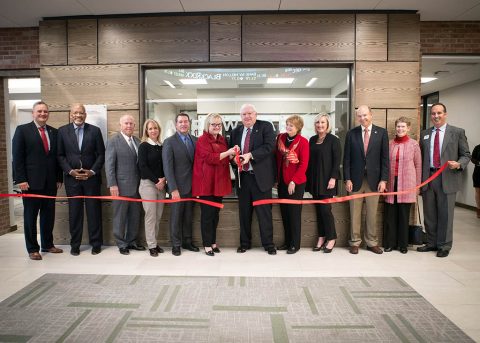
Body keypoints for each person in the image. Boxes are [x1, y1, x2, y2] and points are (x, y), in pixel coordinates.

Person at [418, 103, 471, 257]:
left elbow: (466, 154)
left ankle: (444, 245)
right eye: (433, 113)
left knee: (446, 214)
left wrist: (459, 164)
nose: (436, 116)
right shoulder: (425, 134)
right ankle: (431, 242)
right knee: (429, 213)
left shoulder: (457, 132)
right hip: (429, 178)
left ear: (445, 114)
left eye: (439, 113)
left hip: (448, 178)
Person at [12, 101, 63, 260]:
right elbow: (17, 158)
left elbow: (57, 158)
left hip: (50, 182)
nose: (43, 114)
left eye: (45, 111)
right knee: (30, 216)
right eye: (39, 111)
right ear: (33, 113)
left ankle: (47, 244)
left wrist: (58, 177)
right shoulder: (22, 130)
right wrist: (20, 179)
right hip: (30, 183)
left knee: (49, 215)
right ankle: (32, 248)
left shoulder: (54, 132)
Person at [57, 103, 105, 256]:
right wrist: (70, 171)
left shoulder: (95, 131)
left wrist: (92, 172)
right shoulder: (62, 131)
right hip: (73, 180)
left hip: (91, 179)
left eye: (81, 113)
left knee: (94, 212)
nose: (78, 115)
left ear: (85, 114)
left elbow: (101, 155)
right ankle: (75, 245)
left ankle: (96, 244)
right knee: (75, 213)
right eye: (75, 113)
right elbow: (60, 155)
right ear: (71, 114)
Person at [229, 104, 277, 255]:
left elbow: (270, 147)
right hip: (243, 178)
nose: (247, 116)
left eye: (250, 113)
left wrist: (250, 155)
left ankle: (268, 244)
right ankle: (244, 243)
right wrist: (234, 160)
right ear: (240, 116)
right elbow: (232, 153)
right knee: (244, 213)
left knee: (264, 213)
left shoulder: (266, 127)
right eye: (244, 114)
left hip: (261, 178)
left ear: (256, 114)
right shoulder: (236, 131)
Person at [343, 105, 389, 255]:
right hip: (355, 180)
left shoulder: (381, 133)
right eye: (359, 116)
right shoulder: (351, 134)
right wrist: (347, 178)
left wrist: (384, 180)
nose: (362, 118)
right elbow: (347, 159)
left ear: (371, 115)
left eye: (365, 115)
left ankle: (371, 242)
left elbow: (385, 159)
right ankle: (355, 242)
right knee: (354, 213)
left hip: (374, 181)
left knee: (371, 213)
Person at [192, 113, 238, 256]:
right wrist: (227, 152)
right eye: (213, 124)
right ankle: (206, 245)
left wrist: (233, 154)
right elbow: (210, 158)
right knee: (207, 215)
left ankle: (213, 242)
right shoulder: (202, 140)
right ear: (208, 125)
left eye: (219, 124)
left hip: (219, 183)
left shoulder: (223, 140)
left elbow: (225, 158)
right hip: (206, 184)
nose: (216, 127)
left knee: (215, 215)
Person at [105, 114, 144, 255]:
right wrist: (112, 184)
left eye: (131, 123)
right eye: (126, 123)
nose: (129, 126)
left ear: (134, 126)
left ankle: (132, 241)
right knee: (120, 217)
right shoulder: (113, 141)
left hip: (137, 187)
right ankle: (121, 243)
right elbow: (109, 165)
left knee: (134, 216)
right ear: (120, 125)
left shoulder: (138, 141)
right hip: (120, 187)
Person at [383, 117, 421, 254]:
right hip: (392, 183)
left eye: (403, 127)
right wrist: (384, 182)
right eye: (398, 126)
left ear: (408, 128)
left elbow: (418, 165)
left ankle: (403, 245)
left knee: (404, 216)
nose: (400, 129)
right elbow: (385, 164)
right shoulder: (389, 144)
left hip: (407, 184)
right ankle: (390, 244)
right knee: (391, 216)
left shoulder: (414, 145)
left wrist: (417, 187)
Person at [162, 113, 199, 256]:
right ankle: (176, 244)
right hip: (177, 187)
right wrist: (173, 189)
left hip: (192, 187)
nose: (183, 124)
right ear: (176, 124)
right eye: (180, 122)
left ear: (189, 123)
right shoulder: (169, 142)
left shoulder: (196, 140)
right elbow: (168, 167)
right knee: (176, 217)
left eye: (186, 121)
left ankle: (187, 242)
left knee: (189, 216)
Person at [306, 113, 341, 253]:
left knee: (326, 211)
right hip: (315, 180)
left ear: (328, 125)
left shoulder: (334, 140)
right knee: (318, 211)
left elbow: (337, 161)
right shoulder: (312, 139)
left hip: (327, 181)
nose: (320, 125)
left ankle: (331, 238)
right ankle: (321, 236)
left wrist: (333, 178)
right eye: (317, 123)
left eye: (323, 122)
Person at [275, 115, 309, 254]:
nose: (288, 127)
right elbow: (276, 159)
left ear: (298, 128)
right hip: (282, 181)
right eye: (287, 124)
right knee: (284, 213)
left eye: (291, 125)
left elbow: (303, 164)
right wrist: (276, 179)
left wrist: (293, 181)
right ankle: (287, 242)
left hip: (296, 182)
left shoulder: (303, 142)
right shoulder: (280, 138)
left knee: (294, 214)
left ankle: (295, 244)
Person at [138, 119, 166, 257]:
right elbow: (143, 167)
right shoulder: (144, 146)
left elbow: (165, 165)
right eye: (150, 129)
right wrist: (156, 181)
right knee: (150, 216)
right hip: (148, 185)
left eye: (155, 128)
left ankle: (154, 242)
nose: (153, 130)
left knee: (158, 216)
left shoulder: (161, 145)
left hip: (161, 185)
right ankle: (151, 245)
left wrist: (164, 179)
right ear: (146, 131)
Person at [472, 144, 480, 218]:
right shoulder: (477, 147)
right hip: (478, 173)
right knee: (478, 191)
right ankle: (478, 209)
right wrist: (478, 163)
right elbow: (472, 158)